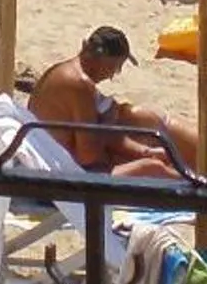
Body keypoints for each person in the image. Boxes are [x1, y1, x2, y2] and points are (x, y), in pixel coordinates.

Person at [25, 28, 189, 176]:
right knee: (153, 169)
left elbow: (103, 137)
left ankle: (194, 179)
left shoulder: (64, 70)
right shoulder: (81, 85)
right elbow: (87, 156)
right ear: (103, 61)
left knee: (145, 159)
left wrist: (145, 152)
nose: (112, 76)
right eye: (115, 68)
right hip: (56, 174)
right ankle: (200, 185)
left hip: (49, 159)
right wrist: (107, 121)